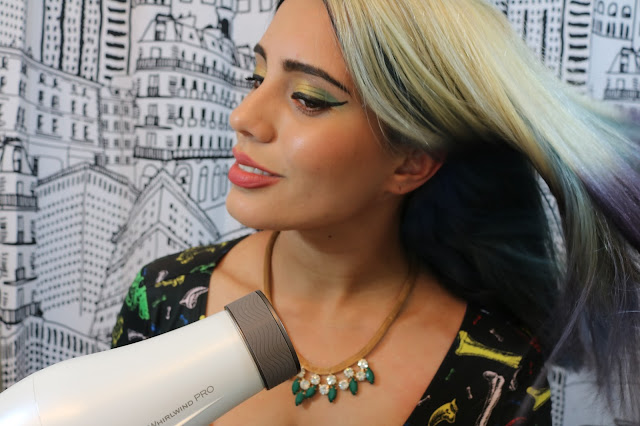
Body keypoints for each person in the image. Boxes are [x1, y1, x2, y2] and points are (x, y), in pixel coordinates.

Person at [112, 0, 640, 424]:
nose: (244, 116)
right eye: (257, 77)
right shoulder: (165, 300)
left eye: (308, 98)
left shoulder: (494, 371)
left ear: (411, 162)